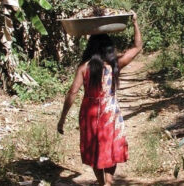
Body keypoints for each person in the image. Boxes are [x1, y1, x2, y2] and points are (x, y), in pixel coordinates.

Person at [57, 11, 142, 186]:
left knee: (95, 149)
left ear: (90, 48)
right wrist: (134, 23)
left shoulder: (84, 67)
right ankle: (108, 183)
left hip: (89, 112)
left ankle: (102, 182)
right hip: (110, 112)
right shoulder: (114, 64)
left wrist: (62, 118)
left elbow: (72, 93)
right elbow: (137, 47)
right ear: (109, 48)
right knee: (111, 147)